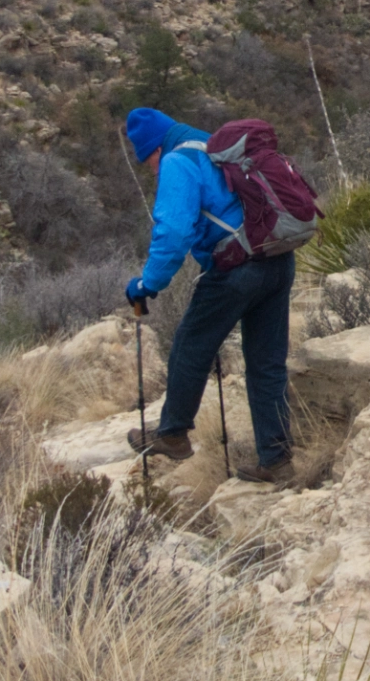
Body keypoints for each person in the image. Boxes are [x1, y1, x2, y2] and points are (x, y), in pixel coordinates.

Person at [122, 106, 296, 483]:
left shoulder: (177, 161)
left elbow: (173, 234)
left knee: (189, 345)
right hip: (277, 256)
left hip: (237, 266)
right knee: (267, 363)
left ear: (154, 149)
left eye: (147, 161)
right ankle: (277, 459)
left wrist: (147, 285)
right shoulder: (211, 143)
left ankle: (173, 435)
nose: (152, 170)